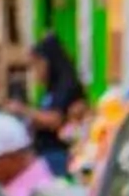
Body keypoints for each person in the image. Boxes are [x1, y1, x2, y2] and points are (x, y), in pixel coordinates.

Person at [15, 44, 85, 182]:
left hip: (58, 154)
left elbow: (55, 120)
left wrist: (23, 110)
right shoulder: (50, 88)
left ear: (47, 62)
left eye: (36, 65)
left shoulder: (65, 86)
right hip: (45, 152)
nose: (35, 72)